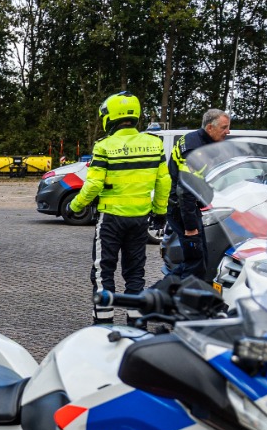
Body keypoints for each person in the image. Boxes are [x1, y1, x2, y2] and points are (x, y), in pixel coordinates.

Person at [70, 92, 169, 325]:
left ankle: (103, 323)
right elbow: (164, 181)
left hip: (111, 220)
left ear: (110, 117)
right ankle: (136, 322)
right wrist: (160, 211)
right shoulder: (154, 144)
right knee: (135, 273)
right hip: (139, 219)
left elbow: (94, 183)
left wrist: (76, 205)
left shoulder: (105, 146)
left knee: (103, 272)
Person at [164, 108, 229, 279]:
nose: (228, 132)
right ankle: (176, 296)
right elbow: (184, 192)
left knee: (197, 260)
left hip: (183, 208)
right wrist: (191, 227)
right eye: (224, 127)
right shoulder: (196, 151)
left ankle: (169, 292)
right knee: (195, 264)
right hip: (182, 210)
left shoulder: (192, 138)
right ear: (210, 128)